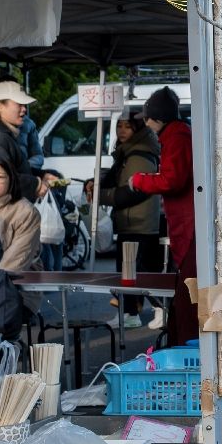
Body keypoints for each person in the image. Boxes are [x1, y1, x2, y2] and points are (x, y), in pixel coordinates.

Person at [128, 87, 197, 346]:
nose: (146, 124)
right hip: (186, 218)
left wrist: (140, 181)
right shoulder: (181, 133)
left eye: (147, 119)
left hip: (186, 220)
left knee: (189, 283)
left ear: (155, 119)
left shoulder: (176, 137)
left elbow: (172, 181)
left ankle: (184, 341)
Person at [83, 113, 163, 327]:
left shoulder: (139, 155)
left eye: (128, 126)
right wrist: (95, 182)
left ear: (138, 129)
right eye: (119, 126)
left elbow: (132, 192)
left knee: (142, 272)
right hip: (131, 222)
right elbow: (115, 178)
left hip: (140, 223)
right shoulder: (127, 152)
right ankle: (130, 312)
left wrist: (102, 195)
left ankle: (158, 309)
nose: (122, 130)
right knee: (130, 272)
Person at [0, 157, 40, 273]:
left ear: (10, 179)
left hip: (13, 284)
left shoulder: (26, 212)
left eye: (0, 177)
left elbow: (14, 263)